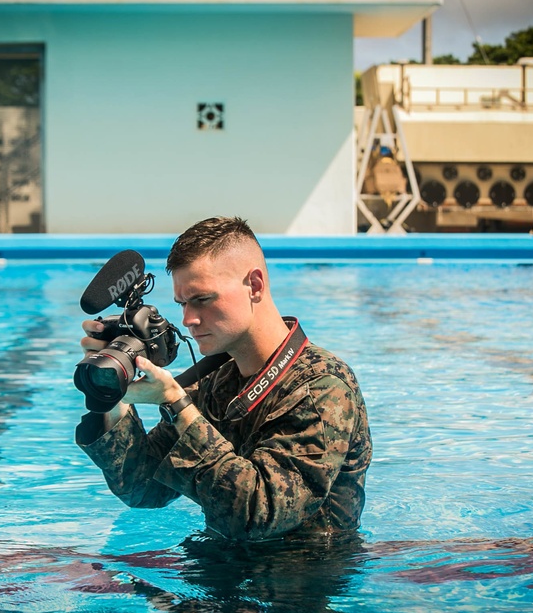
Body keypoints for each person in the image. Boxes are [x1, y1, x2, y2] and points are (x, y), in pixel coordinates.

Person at [76, 216, 371, 542]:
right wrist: (114, 392)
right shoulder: (217, 381)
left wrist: (177, 404)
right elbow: (142, 489)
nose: (188, 319)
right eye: (182, 303)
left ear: (255, 285)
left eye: (202, 299)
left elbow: (257, 516)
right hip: (216, 571)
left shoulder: (321, 388)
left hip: (299, 579)